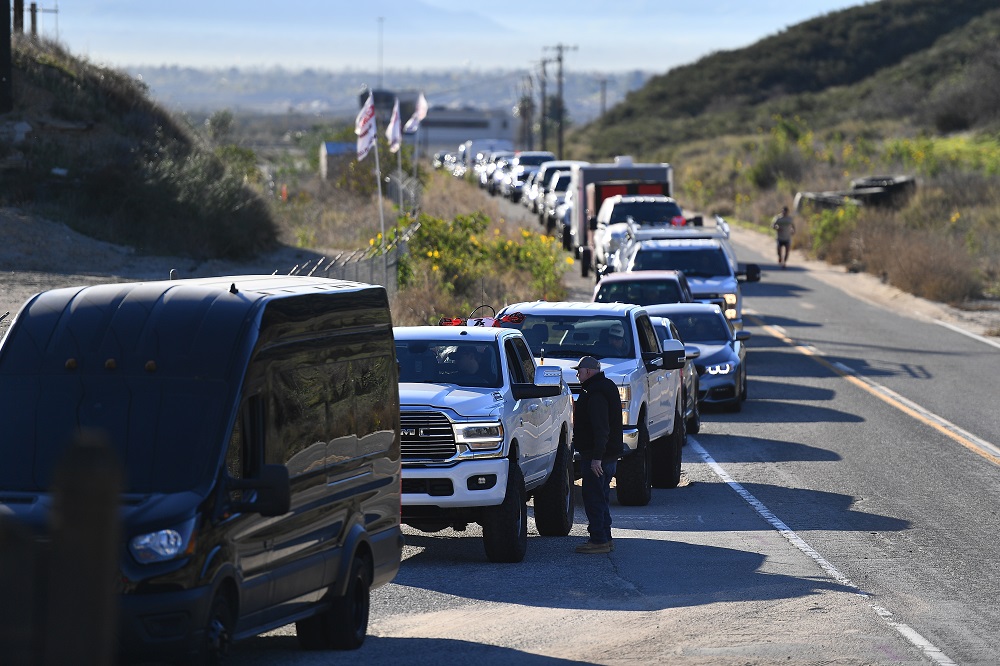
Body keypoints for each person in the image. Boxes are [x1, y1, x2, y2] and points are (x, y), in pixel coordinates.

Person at [571, 355, 624, 554]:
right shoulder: (604, 387)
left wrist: (596, 458)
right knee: (601, 497)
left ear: (589, 371)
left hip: (597, 457)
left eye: (580, 370)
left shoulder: (595, 393)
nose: (577, 374)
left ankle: (598, 540)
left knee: (594, 497)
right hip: (606, 455)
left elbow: (601, 428)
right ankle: (605, 537)